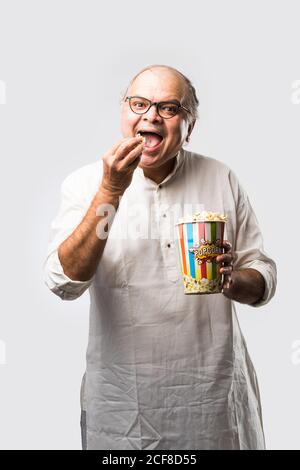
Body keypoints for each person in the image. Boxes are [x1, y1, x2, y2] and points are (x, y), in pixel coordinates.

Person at [44, 64, 277, 450]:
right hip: (123, 409)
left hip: (213, 404)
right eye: (139, 104)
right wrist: (110, 192)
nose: (150, 115)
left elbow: (264, 277)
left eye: (169, 108)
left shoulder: (221, 178)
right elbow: (63, 282)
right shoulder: (85, 183)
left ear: (190, 125)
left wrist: (233, 279)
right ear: (124, 111)